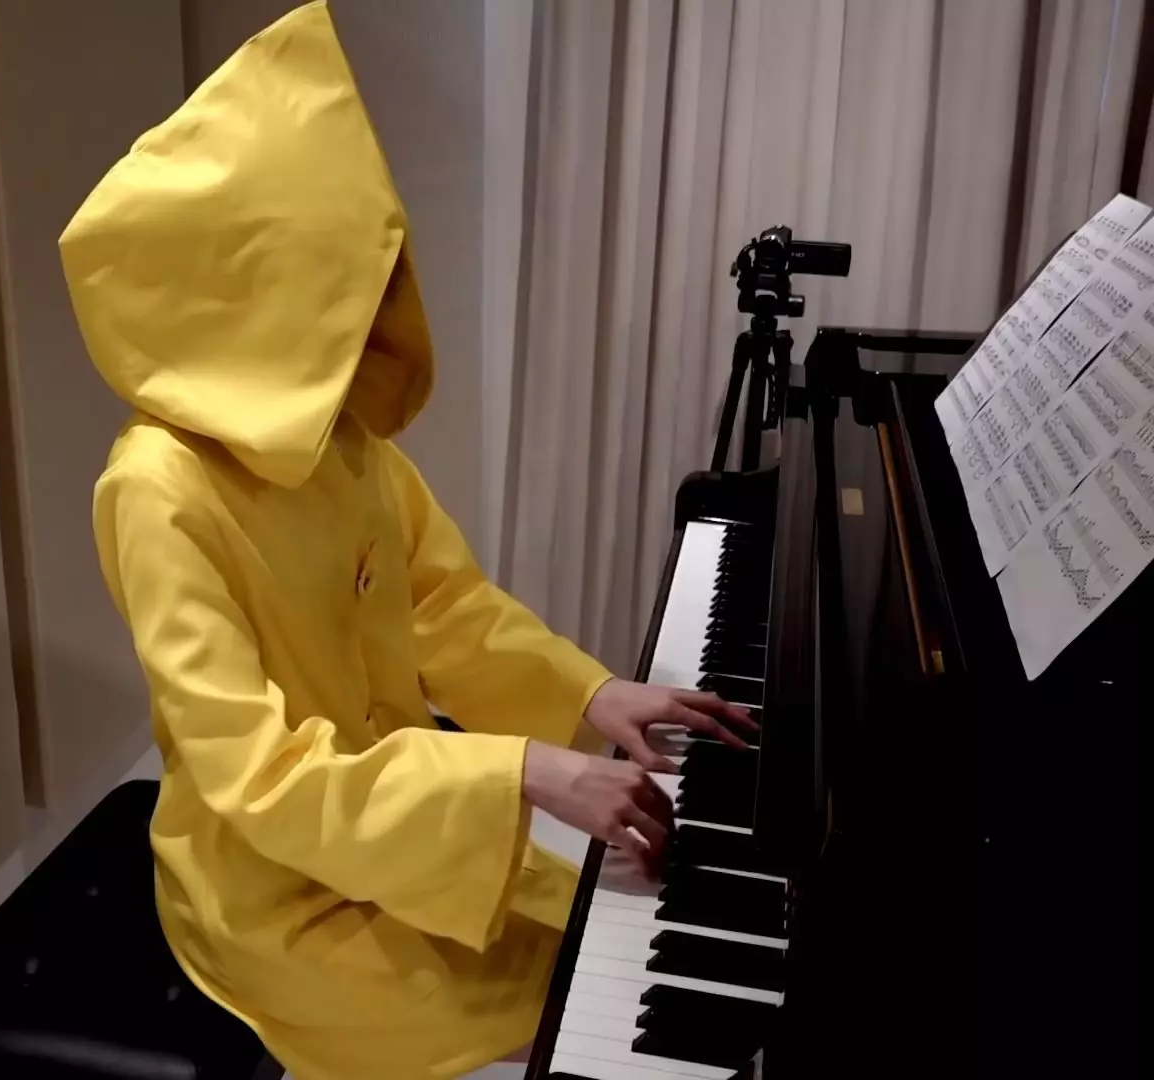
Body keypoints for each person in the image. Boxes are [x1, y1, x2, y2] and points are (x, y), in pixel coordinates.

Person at [60, 4, 754, 1078]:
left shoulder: (330, 430)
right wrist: (521, 773)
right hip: (275, 889)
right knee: (580, 1001)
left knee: (597, 941)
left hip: (400, 826)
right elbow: (259, 778)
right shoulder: (156, 489)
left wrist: (592, 698)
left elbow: (442, 604)